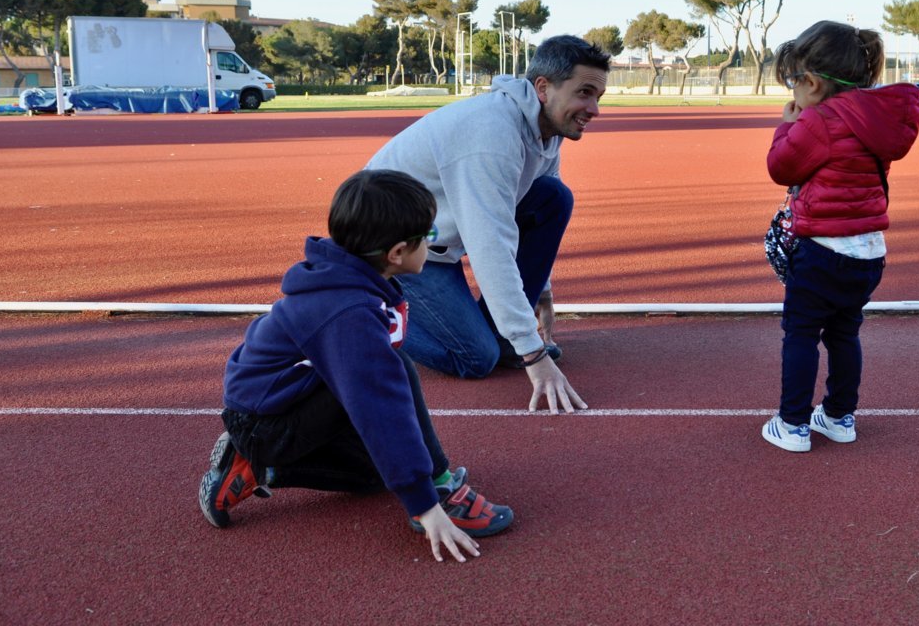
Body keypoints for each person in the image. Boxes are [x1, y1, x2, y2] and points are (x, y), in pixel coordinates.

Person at [198, 169, 513, 563]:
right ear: (396, 253)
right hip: (266, 424)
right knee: (394, 378)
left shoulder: (352, 277)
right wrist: (424, 503)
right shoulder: (350, 315)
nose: (433, 241)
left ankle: (260, 468)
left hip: (286, 402)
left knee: (383, 470)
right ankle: (440, 486)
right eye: (428, 235)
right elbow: (381, 409)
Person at [365, 35, 611, 414]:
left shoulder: (546, 131)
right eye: (584, 93)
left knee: (553, 197)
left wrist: (542, 293)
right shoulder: (492, 135)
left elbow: (532, 216)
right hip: (393, 244)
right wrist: (533, 354)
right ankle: (361, 317)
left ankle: (505, 338)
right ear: (543, 88)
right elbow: (491, 244)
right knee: (475, 358)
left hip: (436, 237)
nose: (593, 109)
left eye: (598, 96)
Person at [760, 20, 919, 453]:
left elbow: (781, 167)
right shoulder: (877, 119)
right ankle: (838, 416)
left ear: (812, 82)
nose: (792, 92)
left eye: (793, 82)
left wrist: (787, 127)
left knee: (801, 333)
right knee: (844, 334)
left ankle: (793, 424)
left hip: (822, 250)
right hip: (867, 252)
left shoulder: (819, 121)